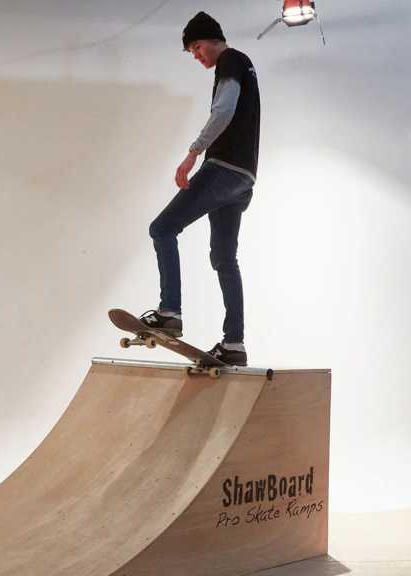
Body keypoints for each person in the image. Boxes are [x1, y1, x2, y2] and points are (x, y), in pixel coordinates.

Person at [139, 11, 260, 367]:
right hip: (244, 178)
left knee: (162, 228)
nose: (196, 56)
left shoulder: (230, 60)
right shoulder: (244, 65)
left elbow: (223, 111)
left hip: (222, 169)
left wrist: (192, 153)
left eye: (196, 47)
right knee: (224, 258)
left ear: (212, 40)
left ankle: (169, 312)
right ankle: (234, 343)